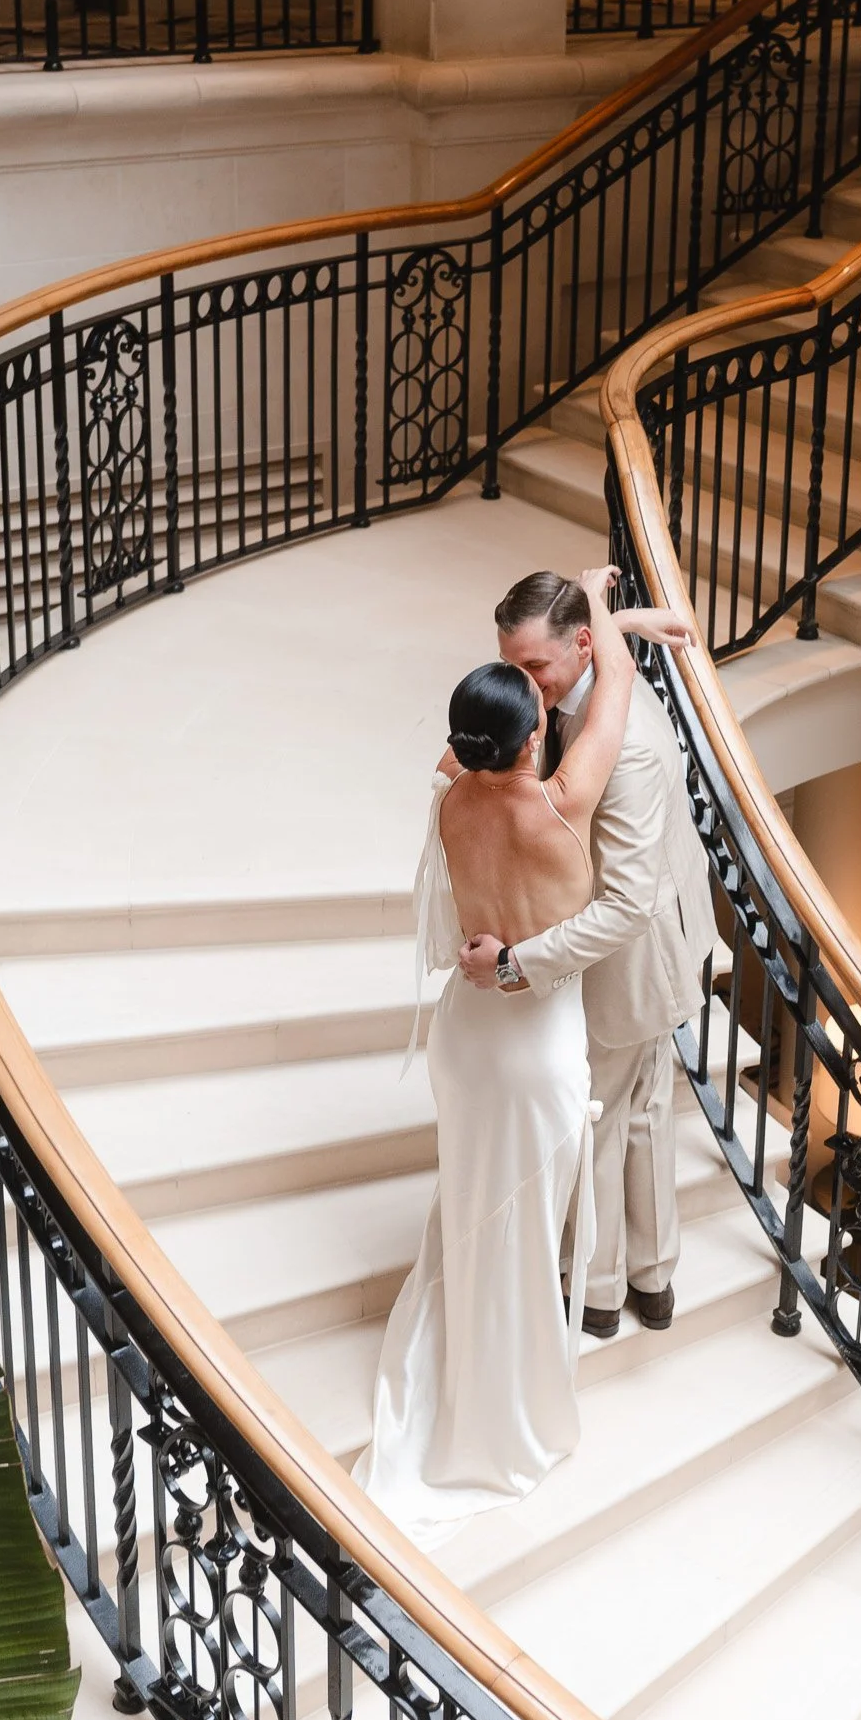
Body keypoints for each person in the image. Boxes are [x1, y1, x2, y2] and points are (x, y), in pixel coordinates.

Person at [356, 571, 683, 1543]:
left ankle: (474, 1368)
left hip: (466, 1026)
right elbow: (613, 693)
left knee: (476, 1196)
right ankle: (511, 1403)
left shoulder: (451, 797)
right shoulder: (560, 800)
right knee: (526, 1210)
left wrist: (602, 617)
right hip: (531, 1027)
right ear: (533, 733)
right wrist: (606, 614)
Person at [460, 570, 717, 1341]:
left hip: (634, 955)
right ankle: (654, 1276)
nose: (520, 684)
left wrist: (514, 964)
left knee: (598, 1119)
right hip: (644, 939)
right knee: (640, 1111)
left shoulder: (626, 743)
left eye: (533, 669)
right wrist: (614, 611)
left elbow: (626, 905)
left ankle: (600, 1294)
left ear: (580, 647)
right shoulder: (573, 680)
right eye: (512, 664)